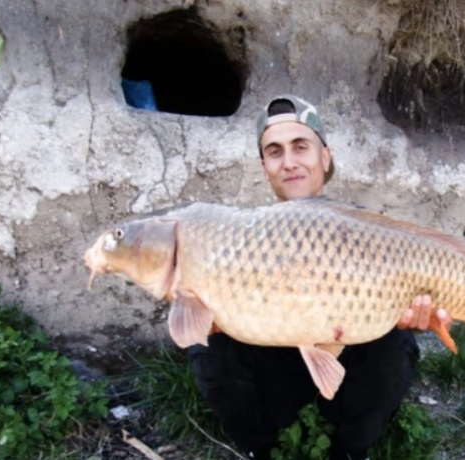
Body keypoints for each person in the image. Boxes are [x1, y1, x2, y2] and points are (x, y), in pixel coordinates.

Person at [187, 95, 451, 460]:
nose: (290, 162)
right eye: (275, 152)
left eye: (300, 147)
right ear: (264, 166)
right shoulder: (244, 235)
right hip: (276, 377)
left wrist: (415, 315)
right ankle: (262, 449)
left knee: (396, 340)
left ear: (324, 157)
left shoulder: (365, 229)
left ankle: (349, 449)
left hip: (345, 375)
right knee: (208, 344)